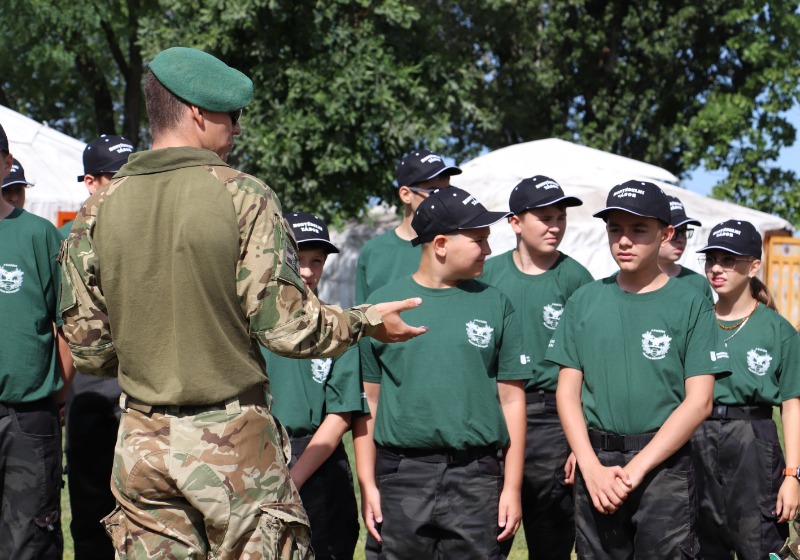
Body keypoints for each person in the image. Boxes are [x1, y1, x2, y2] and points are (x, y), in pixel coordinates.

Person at [58, 46, 425, 559]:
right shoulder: (243, 196)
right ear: (196, 112)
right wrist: (366, 321)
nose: (237, 128)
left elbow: (91, 352)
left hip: (141, 441)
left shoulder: (97, 210)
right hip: (233, 443)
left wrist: (156, 358)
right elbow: (287, 329)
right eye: (231, 115)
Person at [546, 180, 725, 559]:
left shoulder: (690, 303)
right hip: (597, 466)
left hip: (664, 468)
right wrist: (591, 468)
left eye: (638, 229)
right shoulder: (584, 301)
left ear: (667, 233)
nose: (624, 240)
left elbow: (700, 401)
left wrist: (638, 467)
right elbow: (566, 393)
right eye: (615, 229)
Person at [355, 186, 530, 559]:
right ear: (440, 244)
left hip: (477, 477)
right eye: (479, 240)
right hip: (401, 477)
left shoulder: (497, 303)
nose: (489, 249)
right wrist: (368, 483)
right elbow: (369, 403)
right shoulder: (382, 308)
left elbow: (513, 400)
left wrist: (511, 487)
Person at [480, 175, 592, 560]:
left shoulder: (577, 278)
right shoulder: (485, 274)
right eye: (544, 217)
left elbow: (592, 362)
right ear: (515, 222)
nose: (555, 226)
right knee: (488, 534)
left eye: (560, 217)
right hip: (493, 416)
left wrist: (583, 439)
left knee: (552, 537)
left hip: (553, 418)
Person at [692, 220, 800, 560]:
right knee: (701, 542)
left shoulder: (779, 331)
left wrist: (793, 475)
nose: (717, 268)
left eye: (729, 259)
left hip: (754, 442)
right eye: (711, 259)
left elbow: (792, 406)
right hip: (697, 438)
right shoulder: (693, 321)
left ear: (754, 266)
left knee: (760, 545)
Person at [260, 211, 363, 560]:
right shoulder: (249, 324)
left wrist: (296, 478)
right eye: (297, 259)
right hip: (259, 455)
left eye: (316, 261)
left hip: (320, 460)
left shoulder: (340, 325)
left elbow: (340, 414)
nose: (306, 271)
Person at [0, 122, 75, 560]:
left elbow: (66, 325)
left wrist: (56, 394)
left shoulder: (39, 234)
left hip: (29, 418)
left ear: (6, 162)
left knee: (30, 542)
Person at [62, 134, 134, 559]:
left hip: (146, 386)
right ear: (91, 182)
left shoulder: (153, 233)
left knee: (149, 513)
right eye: (114, 178)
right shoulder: (69, 240)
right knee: (91, 512)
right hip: (90, 386)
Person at [354, 149, 460, 304]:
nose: (443, 199)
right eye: (434, 191)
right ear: (406, 195)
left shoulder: (457, 245)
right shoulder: (373, 251)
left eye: (448, 191)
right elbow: (361, 319)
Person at [60, 134, 134, 238]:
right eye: (119, 176)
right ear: (91, 183)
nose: (129, 181)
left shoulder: (152, 225)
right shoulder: (68, 237)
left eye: (136, 173)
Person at [658, 194, 714, 302]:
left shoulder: (698, 283)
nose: (681, 239)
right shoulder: (629, 279)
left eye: (684, 232)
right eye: (673, 233)